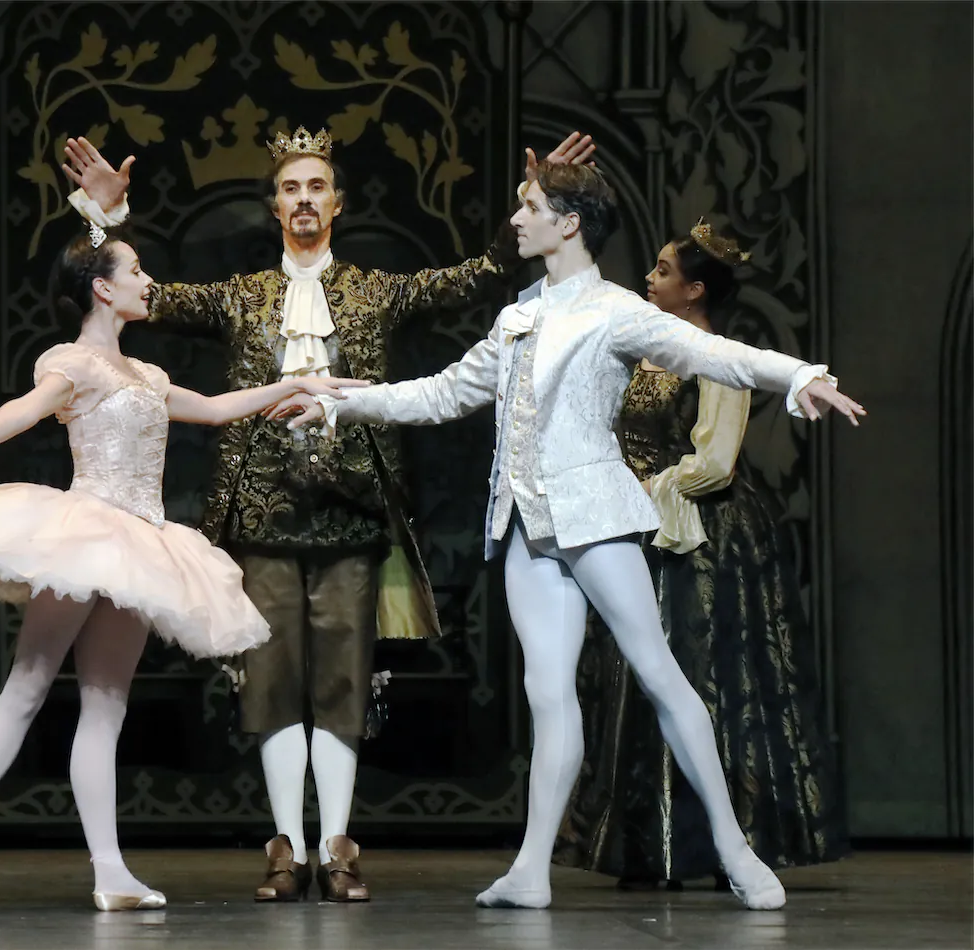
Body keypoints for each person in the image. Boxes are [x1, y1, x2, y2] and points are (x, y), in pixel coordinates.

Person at [272, 162, 865, 910]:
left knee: (659, 672)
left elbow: (715, 354)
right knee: (548, 695)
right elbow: (448, 390)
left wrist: (798, 374)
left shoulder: (616, 311)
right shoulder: (519, 311)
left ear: (569, 221)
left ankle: (734, 846)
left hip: (595, 516)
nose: (516, 221)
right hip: (526, 525)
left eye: (529, 207)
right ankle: (531, 869)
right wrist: (344, 405)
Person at [59, 127, 596, 901]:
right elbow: (134, 295)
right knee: (271, 681)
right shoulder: (242, 296)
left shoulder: (377, 290)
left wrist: (539, 194)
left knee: (344, 681)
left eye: (317, 187)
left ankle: (338, 844)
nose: (304, 199)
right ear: (274, 205)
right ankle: (286, 847)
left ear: (337, 204)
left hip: (352, 512)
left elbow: (477, 275)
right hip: (261, 512)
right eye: (290, 188)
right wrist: (104, 223)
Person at [0, 225, 366, 912]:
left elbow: (209, 410)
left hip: (141, 542)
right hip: (87, 530)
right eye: (137, 271)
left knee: (107, 705)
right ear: (102, 287)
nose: (149, 282)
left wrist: (294, 382)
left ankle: (110, 871)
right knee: (27, 683)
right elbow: (29, 409)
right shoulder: (74, 363)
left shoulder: (147, 375)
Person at [553, 221, 850, 887]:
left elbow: (713, 462)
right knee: (636, 676)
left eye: (662, 271)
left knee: (709, 677)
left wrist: (646, 489)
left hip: (702, 534)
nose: (649, 279)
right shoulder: (638, 352)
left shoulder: (715, 356)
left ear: (692, 290)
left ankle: (724, 843)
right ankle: (648, 845)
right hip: (638, 527)